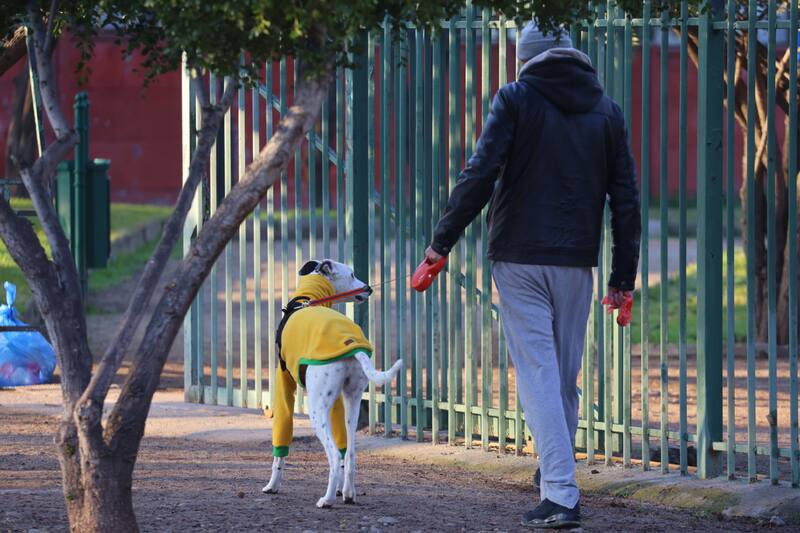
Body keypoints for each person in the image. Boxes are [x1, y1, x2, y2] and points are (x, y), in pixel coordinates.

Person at [424, 20, 640, 529]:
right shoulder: (607, 111)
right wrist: (622, 279)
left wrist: (440, 243)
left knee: (540, 373)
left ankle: (561, 493)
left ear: (526, 58)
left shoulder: (515, 98)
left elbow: (480, 173)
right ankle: (553, 471)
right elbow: (626, 199)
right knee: (561, 377)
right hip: (576, 262)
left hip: (519, 257)